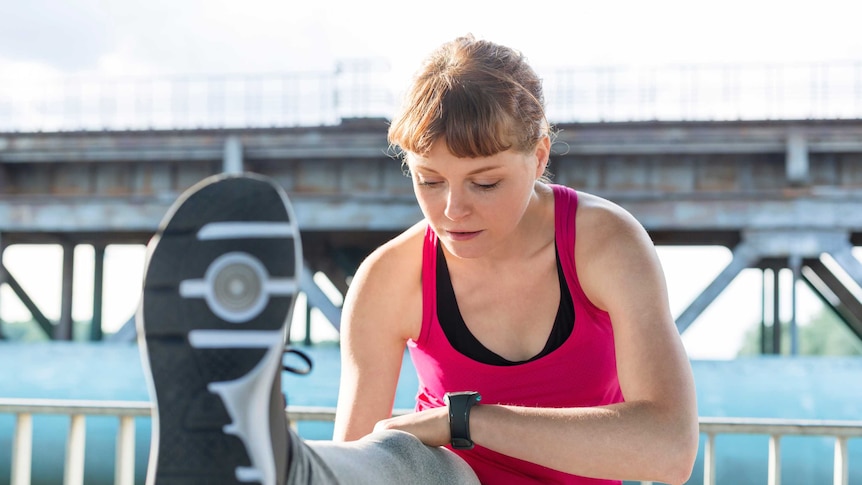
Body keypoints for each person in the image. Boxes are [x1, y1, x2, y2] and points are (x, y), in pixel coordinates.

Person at [138, 34, 698, 485]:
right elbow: (362, 461)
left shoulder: (606, 244)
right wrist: (441, 440)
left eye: (485, 182)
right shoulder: (391, 276)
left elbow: (670, 450)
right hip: (440, 478)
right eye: (429, 181)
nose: (452, 210)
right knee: (409, 457)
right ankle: (273, 459)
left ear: (539, 156)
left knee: (427, 445)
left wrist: (463, 420)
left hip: (468, 447)